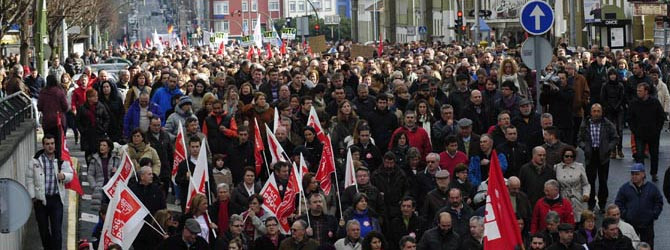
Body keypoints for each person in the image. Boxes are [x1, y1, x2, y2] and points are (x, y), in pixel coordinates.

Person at [26, 134, 73, 250]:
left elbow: (71, 175)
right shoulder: (35, 160)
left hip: (56, 200)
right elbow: (29, 179)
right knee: (43, 230)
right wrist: (33, 197)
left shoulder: (61, 159)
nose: (50, 146)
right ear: (43, 145)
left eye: (52, 143)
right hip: (40, 200)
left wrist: (64, 175)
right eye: (47, 144)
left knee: (57, 231)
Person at [577, 103, 618, 212]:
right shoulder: (585, 124)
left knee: (603, 181)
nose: (596, 113)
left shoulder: (607, 124)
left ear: (601, 112)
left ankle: (603, 203)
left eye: (598, 111)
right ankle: (591, 203)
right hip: (590, 155)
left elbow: (615, 138)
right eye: (594, 111)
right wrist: (585, 147)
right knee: (590, 181)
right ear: (591, 112)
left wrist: (608, 148)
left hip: (603, 155)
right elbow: (579, 138)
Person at [614, 163, 663, 248]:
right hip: (631, 224)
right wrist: (625, 214)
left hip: (647, 224)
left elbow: (659, 201)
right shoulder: (625, 188)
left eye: (637, 174)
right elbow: (618, 203)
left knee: (648, 246)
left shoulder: (652, 188)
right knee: (630, 246)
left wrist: (654, 214)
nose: (634, 176)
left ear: (643, 174)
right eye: (632, 174)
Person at [629, 83, 666, 181]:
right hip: (639, 133)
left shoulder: (654, 102)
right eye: (637, 91)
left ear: (646, 92)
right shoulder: (634, 103)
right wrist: (634, 130)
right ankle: (641, 174)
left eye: (640, 91)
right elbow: (630, 118)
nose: (638, 93)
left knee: (654, 155)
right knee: (639, 155)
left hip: (653, 133)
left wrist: (657, 130)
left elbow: (661, 117)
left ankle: (654, 173)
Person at [553, 146, 590, 221]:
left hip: (577, 198)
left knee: (578, 219)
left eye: (571, 156)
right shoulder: (556, 168)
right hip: (564, 198)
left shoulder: (579, 167)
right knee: (566, 219)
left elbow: (586, 184)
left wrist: (586, 194)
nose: (569, 158)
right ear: (562, 156)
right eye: (567, 156)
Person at [37, 75, 68, 158]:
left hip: (47, 121)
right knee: (58, 143)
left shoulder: (43, 92)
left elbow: (39, 107)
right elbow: (65, 106)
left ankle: (48, 159)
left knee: (48, 142)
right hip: (59, 121)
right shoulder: (59, 91)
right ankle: (58, 160)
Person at [76, 89, 110, 161]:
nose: (96, 98)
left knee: (99, 153)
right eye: (94, 96)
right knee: (88, 154)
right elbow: (78, 121)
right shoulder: (82, 108)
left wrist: (103, 128)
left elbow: (107, 118)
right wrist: (82, 130)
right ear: (88, 98)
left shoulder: (101, 106)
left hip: (99, 133)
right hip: (87, 134)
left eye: (96, 96)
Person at [87, 138, 120, 209]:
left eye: (104, 145)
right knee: (101, 213)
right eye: (100, 145)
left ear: (109, 148)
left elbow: (121, 174)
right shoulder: (94, 160)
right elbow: (90, 174)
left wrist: (116, 171)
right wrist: (94, 186)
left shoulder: (116, 159)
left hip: (112, 189)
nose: (101, 147)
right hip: (100, 190)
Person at [145, 116, 174, 196]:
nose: (157, 127)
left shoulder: (165, 136)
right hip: (152, 172)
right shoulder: (145, 137)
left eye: (158, 125)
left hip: (165, 171)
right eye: (154, 125)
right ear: (150, 125)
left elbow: (170, 153)